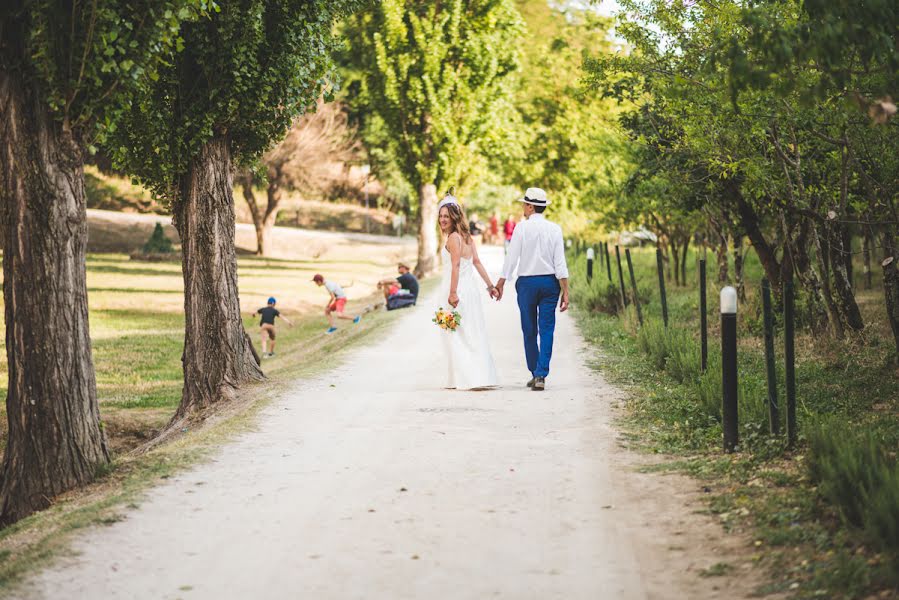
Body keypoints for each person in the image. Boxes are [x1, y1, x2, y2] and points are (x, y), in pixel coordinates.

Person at [494, 187, 569, 391]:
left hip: (527, 284)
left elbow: (511, 258)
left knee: (529, 329)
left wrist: (500, 283)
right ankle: (540, 373)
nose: (522, 208)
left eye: (524, 204)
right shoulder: (555, 229)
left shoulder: (521, 228)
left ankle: (535, 373)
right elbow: (560, 263)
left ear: (529, 206)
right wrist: (566, 292)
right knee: (547, 329)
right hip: (549, 284)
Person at [437, 193, 499, 390]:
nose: (442, 219)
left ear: (455, 216)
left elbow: (455, 266)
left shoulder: (455, 238)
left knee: (452, 332)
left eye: (446, 215)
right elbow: (477, 262)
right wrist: (490, 286)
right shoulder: (467, 237)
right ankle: (473, 375)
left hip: (456, 290)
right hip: (469, 290)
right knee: (470, 331)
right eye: (441, 216)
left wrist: (453, 293)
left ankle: (463, 378)